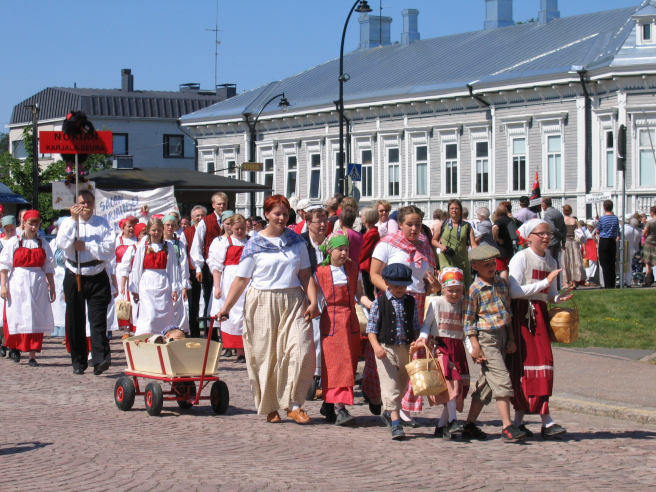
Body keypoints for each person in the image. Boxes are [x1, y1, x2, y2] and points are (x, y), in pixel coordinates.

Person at [217, 195, 319, 424]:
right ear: (267, 215)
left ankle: (294, 404)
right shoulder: (254, 244)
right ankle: (270, 405)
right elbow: (241, 280)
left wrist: (313, 301)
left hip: (293, 300)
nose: (281, 218)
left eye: (285, 213)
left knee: (300, 350)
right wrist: (226, 307)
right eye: (277, 214)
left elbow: (305, 275)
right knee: (266, 356)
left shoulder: (297, 242)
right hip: (262, 301)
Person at [370, 206, 439, 420]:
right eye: (410, 224)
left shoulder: (426, 247)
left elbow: (429, 284)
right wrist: (392, 293)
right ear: (400, 224)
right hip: (392, 301)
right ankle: (390, 406)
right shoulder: (388, 244)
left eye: (418, 224)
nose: (414, 228)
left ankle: (404, 407)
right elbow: (373, 274)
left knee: (414, 355)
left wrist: (433, 286)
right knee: (392, 356)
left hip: (417, 303)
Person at [507, 219, 572, 438]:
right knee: (527, 364)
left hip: (539, 315)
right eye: (541, 233)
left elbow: (549, 292)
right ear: (529, 236)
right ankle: (545, 421)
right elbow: (514, 291)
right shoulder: (521, 258)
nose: (546, 237)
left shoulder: (551, 260)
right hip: (523, 315)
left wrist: (558, 295)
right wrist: (545, 285)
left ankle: (523, 420)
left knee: (543, 364)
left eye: (549, 234)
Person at [462, 244, 525, 441]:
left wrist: (511, 337)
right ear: (475, 267)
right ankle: (507, 426)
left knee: (486, 385)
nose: (491, 267)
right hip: (486, 338)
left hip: (502, 335)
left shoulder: (502, 284)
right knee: (501, 379)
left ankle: (469, 425)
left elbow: (507, 312)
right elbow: (468, 320)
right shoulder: (474, 290)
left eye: (493, 263)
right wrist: (475, 345)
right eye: (486, 265)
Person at [315, 231, 372, 425]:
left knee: (348, 362)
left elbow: (359, 294)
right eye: (340, 249)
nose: (344, 253)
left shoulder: (353, 267)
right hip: (330, 320)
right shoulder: (320, 271)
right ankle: (340, 408)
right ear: (330, 250)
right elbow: (314, 298)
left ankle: (330, 404)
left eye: (346, 249)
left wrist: (370, 304)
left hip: (349, 320)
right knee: (336, 365)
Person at [56, 191, 114, 375]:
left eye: (88, 202)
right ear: (75, 204)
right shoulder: (67, 223)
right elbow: (62, 244)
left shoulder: (102, 224)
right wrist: (73, 221)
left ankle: (100, 360)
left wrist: (88, 246)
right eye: (82, 203)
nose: (85, 206)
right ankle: (78, 361)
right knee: (76, 320)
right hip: (75, 273)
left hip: (96, 273)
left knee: (98, 320)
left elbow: (108, 250)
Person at [412, 267, 469, 440]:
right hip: (441, 347)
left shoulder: (463, 304)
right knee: (452, 383)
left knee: (456, 389)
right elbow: (427, 324)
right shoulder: (436, 303)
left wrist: (473, 350)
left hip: (457, 347)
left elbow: (466, 331)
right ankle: (452, 421)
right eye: (450, 290)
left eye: (458, 290)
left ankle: (441, 427)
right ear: (443, 288)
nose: (454, 294)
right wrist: (423, 338)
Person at [365, 263, 420, 441]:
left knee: (402, 384)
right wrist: (376, 347)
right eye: (396, 285)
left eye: (403, 285)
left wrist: (416, 342)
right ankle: (396, 425)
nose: (400, 289)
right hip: (385, 349)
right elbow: (371, 329)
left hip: (405, 348)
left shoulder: (411, 302)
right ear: (387, 283)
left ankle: (389, 413)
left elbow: (415, 327)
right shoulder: (379, 304)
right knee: (390, 386)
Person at [0, 210, 56, 366]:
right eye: (31, 223)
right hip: (18, 282)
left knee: (35, 316)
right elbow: (4, 265)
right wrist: (3, 285)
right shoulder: (15, 242)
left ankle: (32, 354)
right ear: (24, 223)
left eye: (36, 224)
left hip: (37, 283)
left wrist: (52, 287)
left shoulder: (42, 243)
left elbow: (49, 267)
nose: (34, 227)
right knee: (17, 315)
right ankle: (15, 349)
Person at [123, 218, 183, 336]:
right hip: (147, 282)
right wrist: (135, 288)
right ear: (149, 231)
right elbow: (137, 267)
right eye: (154, 230)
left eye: (159, 230)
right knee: (149, 314)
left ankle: (164, 335)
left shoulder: (168, 246)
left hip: (163, 281)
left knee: (164, 313)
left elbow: (173, 268)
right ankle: (147, 335)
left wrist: (174, 288)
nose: (156, 233)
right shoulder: (144, 246)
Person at [209, 214, 249, 362]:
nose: (240, 231)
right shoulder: (225, 242)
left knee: (248, 313)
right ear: (230, 228)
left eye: (243, 228)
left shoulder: (251, 242)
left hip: (248, 280)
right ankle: (239, 351)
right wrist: (217, 287)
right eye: (237, 228)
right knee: (234, 315)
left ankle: (248, 349)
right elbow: (217, 267)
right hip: (231, 280)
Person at [301, 207, 329, 387]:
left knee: (322, 334)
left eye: (325, 221)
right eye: (318, 221)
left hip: (326, 295)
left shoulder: (331, 243)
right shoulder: (301, 242)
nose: (323, 225)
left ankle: (319, 374)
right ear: (308, 223)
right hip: (305, 294)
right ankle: (308, 373)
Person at [191, 192, 228, 319]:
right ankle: (210, 333)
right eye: (219, 204)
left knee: (226, 296)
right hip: (210, 266)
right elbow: (197, 246)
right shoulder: (205, 222)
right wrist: (198, 267)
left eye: (224, 204)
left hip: (228, 265)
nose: (221, 206)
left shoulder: (231, 220)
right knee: (209, 298)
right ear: (213, 205)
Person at [433, 199, 478, 288]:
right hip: (446, 260)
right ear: (449, 211)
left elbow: (473, 244)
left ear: (460, 210)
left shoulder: (467, 226)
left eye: (457, 208)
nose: (454, 210)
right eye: (452, 208)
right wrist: (441, 246)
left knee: (464, 287)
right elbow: (433, 240)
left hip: (462, 261)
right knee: (449, 285)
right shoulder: (443, 224)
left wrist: (477, 258)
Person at [163, 215, 190, 333]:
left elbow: (183, 265)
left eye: (172, 225)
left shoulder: (179, 244)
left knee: (177, 307)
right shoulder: (160, 243)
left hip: (176, 277)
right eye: (167, 225)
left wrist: (184, 285)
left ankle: (178, 332)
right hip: (162, 276)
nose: (170, 228)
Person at [184, 205, 207, 338]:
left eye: (202, 215)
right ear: (192, 218)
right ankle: (195, 333)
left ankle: (210, 332)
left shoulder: (208, 229)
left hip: (207, 269)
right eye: (197, 216)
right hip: (192, 271)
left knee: (209, 301)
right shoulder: (186, 233)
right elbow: (183, 254)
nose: (200, 218)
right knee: (193, 303)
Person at [115, 216, 138, 339]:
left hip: (134, 272)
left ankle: (135, 325)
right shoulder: (117, 241)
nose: (131, 228)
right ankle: (125, 329)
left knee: (134, 300)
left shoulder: (136, 241)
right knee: (123, 300)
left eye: (132, 226)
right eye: (128, 226)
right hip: (120, 272)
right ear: (122, 228)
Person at [0, 216, 17, 355]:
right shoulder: (1, 243)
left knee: (12, 314)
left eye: (12, 229)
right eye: (7, 230)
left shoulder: (18, 242)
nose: (10, 232)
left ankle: (12, 345)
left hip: (15, 279)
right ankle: (2, 341)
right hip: (2, 277)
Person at [595, 200, 620, 289]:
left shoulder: (602, 218)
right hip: (612, 241)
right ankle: (612, 283)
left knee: (604, 263)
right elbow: (617, 229)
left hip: (604, 241)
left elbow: (598, 230)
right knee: (611, 263)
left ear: (604, 207)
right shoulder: (615, 218)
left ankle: (607, 284)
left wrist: (598, 233)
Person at [49, 217, 67, 338]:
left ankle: (65, 327)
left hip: (67, 271)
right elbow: (50, 259)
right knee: (55, 302)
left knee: (65, 301)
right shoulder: (53, 242)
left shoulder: (70, 242)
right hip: (56, 272)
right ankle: (55, 327)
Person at [560, 205, 586, 289]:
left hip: (565, 242)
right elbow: (581, 231)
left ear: (564, 211)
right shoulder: (575, 220)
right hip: (574, 242)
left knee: (565, 262)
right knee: (574, 261)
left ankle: (566, 282)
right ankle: (574, 281)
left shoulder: (562, 220)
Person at [359, 206, 380, 301]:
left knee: (368, 291)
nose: (360, 217)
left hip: (368, 266)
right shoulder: (369, 232)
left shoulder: (372, 233)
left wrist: (355, 260)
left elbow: (364, 251)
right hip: (365, 265)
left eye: (362, 215)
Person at [541, 197, 567, 267]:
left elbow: (552, 228)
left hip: (550, 241)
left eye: (542, 204)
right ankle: (557, 277)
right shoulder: (559, 213)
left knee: (548, 262)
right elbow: (564, 228)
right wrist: (563, 239)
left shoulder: (548, 214)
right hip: (557, 241)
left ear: (544, 204)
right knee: (556, 262)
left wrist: (560, 235)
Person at [493, 205, 514, 280]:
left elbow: (495, 227)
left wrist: (496, 238)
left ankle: (503, 286)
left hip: (501, 248)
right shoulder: (511, 220)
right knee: (507, 268)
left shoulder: (500, 221)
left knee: (502, 269)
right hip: (510, 247)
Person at [624, 218, 642, 287]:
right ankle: (628, 282)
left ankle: (622, 282)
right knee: (629, 266)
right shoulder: (633, 230)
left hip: (625, 247)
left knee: (623, 266)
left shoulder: (624, 228)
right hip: (631, 248)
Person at [642, 206, 656, 286]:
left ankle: (648, 281)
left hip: (649, 242)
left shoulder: (650, 222)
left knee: (648, 263)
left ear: (652, 212)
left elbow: (644, 233)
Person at [582, 220, 599, 286]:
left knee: (594, 263)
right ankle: (587, 278)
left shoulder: (595, 232)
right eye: (588, 227)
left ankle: (593, 278)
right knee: (587, 263)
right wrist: (584, 250)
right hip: (587, 247)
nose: (589, 228)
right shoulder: (585, 232)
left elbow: (596, 241)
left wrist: (593, 236)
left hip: (594, 247)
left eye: (590, 227)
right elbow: (584, 241)